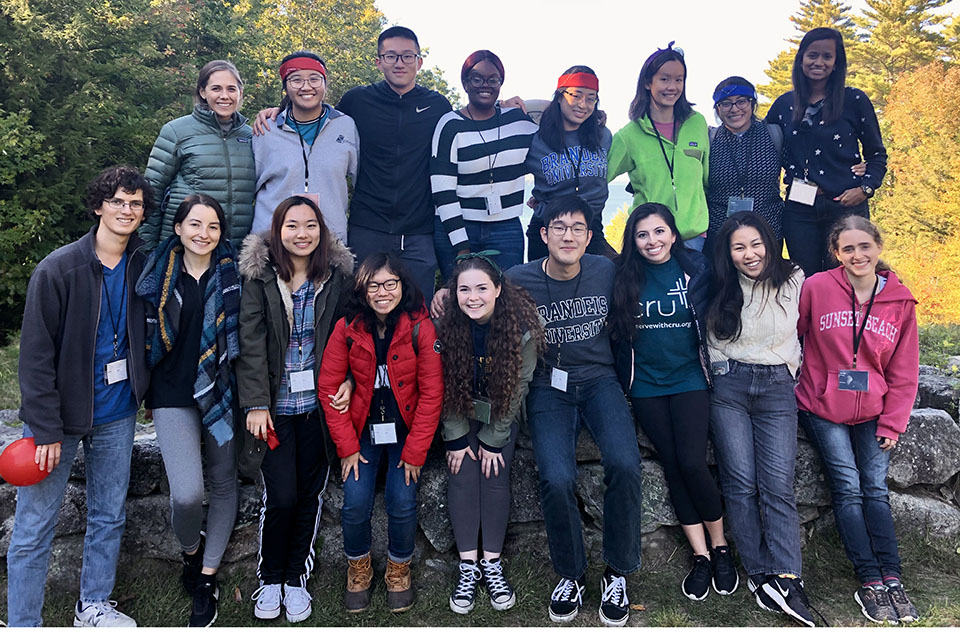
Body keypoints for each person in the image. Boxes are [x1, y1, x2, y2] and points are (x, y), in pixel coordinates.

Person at [7, 165, 153, 627]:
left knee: (109, 515)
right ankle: (24, 623)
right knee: (34, 527)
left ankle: (92, 605)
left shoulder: (143, 264)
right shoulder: (58, 269)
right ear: (98, 207)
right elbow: (33, 357)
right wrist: (46, 427)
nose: (126, 210)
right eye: (117, 201)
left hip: (118, 410)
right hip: (59, 418)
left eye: (135, 203)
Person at [506, 195, 643, 627]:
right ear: (543, 234)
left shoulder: (606, 268)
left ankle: (617, 571)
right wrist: (443, 296)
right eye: (559, 227)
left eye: (578, 228)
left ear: (589, 236)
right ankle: (571, 573)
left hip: (600, 379)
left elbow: (658, 261)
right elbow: (477, 297)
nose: (569, 235)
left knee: (624, 462)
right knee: (556, 476)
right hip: (550, 386)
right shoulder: (518, 278)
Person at [236, 195, 355, 623]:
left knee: (310, 495)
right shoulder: (260, 277)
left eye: (310, 225)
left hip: (321, 409)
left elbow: (350, 338)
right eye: (291, 225)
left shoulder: (337, 278)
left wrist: (348, 380)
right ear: (277, 230)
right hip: (275, 407)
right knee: (281, 495)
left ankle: (294, 580)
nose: (301, 234)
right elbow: (249, 343)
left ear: (321, 231)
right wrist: (254, 402)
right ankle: (269, 577)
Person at [796, 215, 920, 625]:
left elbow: (905, 370)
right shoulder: (816, 287)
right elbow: (794, 334)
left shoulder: (901, 302)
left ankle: (892, 577)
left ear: (877, 247)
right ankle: (868, 580)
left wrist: (893, 422)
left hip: (873, 410)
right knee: (848, 488)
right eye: (847, 248)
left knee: (875, 490)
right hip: (823, 405)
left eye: (864, 246)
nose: (857, 255)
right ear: (836, 253)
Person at [609, 203, 735, 602]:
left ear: (673, 233)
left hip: (690, 378)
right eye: (643, 234)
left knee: (692, 463)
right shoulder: (622, 276)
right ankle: (700, 556)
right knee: (673, 467)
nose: (652, 241)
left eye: (659, 232)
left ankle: (721, 548)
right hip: (645, 384)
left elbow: (734, 295)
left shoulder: (697, 269)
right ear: (633, 240)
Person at [134, 194, 240, 627]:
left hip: (223, 392)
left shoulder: (235, 275)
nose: (204, 234)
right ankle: (191, 553)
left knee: (224, 481)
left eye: (213, 226)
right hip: (172, 394)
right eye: (195, 224)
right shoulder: (154, 273)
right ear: (178, 228)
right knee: (187, 494)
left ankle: (207, 578)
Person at [317, 253, 444, 614]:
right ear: (362, 288)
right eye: (374, 284)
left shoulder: (421, 327)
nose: (383, 291)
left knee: (402, 499)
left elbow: (433, 394)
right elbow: (329, 388)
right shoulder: (348, 327)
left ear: (402, 286)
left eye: (390, 283)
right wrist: (346, 447)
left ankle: (398, 567)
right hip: (363, 431)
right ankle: (358, 567)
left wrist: (416, 451)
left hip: (406, 431)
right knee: (355, 499)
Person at [704, 212, 815, 626]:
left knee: (777, 484)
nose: (749, 254)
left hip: (777, 387)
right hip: (730, 385)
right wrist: (718, 371)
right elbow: (707, 336)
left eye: (755, 244)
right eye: (738, 247)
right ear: (728, 253)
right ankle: (759, 571)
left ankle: (789, 577)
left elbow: (813, 322)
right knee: (741, 482)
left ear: (769, 242)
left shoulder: (795, 277)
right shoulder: (718, 283)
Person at [434, 252, 545, 615]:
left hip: (501, 413)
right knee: (461, 471)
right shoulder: (446, 326)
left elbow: (517, 387)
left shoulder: (521, 326)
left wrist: (494, 440)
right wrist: (455, 436)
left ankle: (492, 564)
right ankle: (468, 565)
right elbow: (443, 384)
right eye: (464, 289)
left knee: (493, 470)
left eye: (482, 288)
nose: (473, 297)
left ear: (498, 288)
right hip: (460, 411)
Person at [766, 27, 886, 278]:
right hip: (799, 208)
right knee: (805, 280)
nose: (818, 62)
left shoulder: (854, 100)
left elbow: (876, 155)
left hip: (845, 205)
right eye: (812, 55)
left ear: (836, 63)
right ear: (801, 59)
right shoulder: (784, 105)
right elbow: (765, 150)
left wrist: (865, 188)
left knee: (846, 277)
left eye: (826, 56)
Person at [431, 50, 537, 279]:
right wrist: (462, 249)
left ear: (501, 83)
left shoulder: (517, 121)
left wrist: (510, 104)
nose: (485, 85)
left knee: (506, 300)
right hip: (457, 227)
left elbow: (558, 115)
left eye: (493, 80)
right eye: (477, 79)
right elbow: (443, 192)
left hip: (506, 228)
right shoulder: (449, 125)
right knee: (461, 299)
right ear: (465, 83)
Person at [143, 60, 255, 249]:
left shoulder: (252, 136)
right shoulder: (176, 131)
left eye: (231, 89)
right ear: (203, 92)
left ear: (240, 92)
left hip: (234, 248)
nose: (224, 96)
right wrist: (147, 248)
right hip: (182, 247)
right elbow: (151, 191)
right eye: (216, 89)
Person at [608, 43, 709, 251]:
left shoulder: (697, 123)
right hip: (651, 241)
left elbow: (706, 179)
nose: (672, 87)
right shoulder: (628, 135)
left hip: (694, 239)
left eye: (679, 80)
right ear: (647, 82)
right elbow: (598, 180)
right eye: (664, 79)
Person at [250, 51, 358, 243]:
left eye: (314, 79)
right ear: (285, 87)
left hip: (329, 243)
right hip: (273, 243)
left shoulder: (346, 126)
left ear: (325, 83)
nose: (306, 87)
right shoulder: (265, 129)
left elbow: (361, 183)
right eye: (296, 80)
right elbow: (248, 187)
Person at [525, 66, 616, 261]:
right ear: (559, 96)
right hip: (548, 230)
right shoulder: (536, 138)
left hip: (591, 228)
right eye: (576, 96)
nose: (583, 105)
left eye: (591, 98)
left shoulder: (603, 136)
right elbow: (519, 109)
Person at [704, 77, 785, 259]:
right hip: (720, 232)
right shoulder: (709, 139)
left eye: (741, 101)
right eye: (726, 104)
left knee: (766, 286)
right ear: (717, 109)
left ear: (752, 103)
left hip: (768, 230)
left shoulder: (774, 134)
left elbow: (800, 165)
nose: (734, 109)